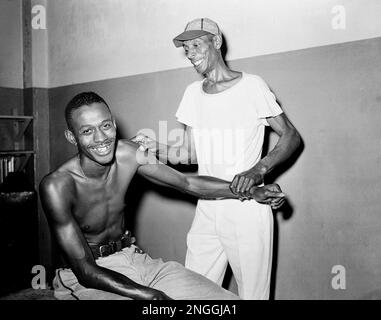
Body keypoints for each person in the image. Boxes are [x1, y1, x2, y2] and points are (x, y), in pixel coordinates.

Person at [39, 92, 285, 300]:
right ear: (72, 137)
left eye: (104, 126)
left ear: (113, 124)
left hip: (135, 259)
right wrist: (150, 295)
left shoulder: (130, 154)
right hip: (86, 277)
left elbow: (187, 182)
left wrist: (250, 191)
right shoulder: (57, 185)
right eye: (87, 131)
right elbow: (84, 270)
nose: (101, 138)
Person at [133, 18, 301, 300]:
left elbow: (291, 136)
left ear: (217, 42)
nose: (191, 54)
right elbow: (188, 154)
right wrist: (156, 146)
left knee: (253, 295)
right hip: (208, 206)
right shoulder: (192, 95)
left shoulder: (252, 86)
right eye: (186, 49)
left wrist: (258, 170)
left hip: (247, 205)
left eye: (196, 45)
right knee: (192, 291)